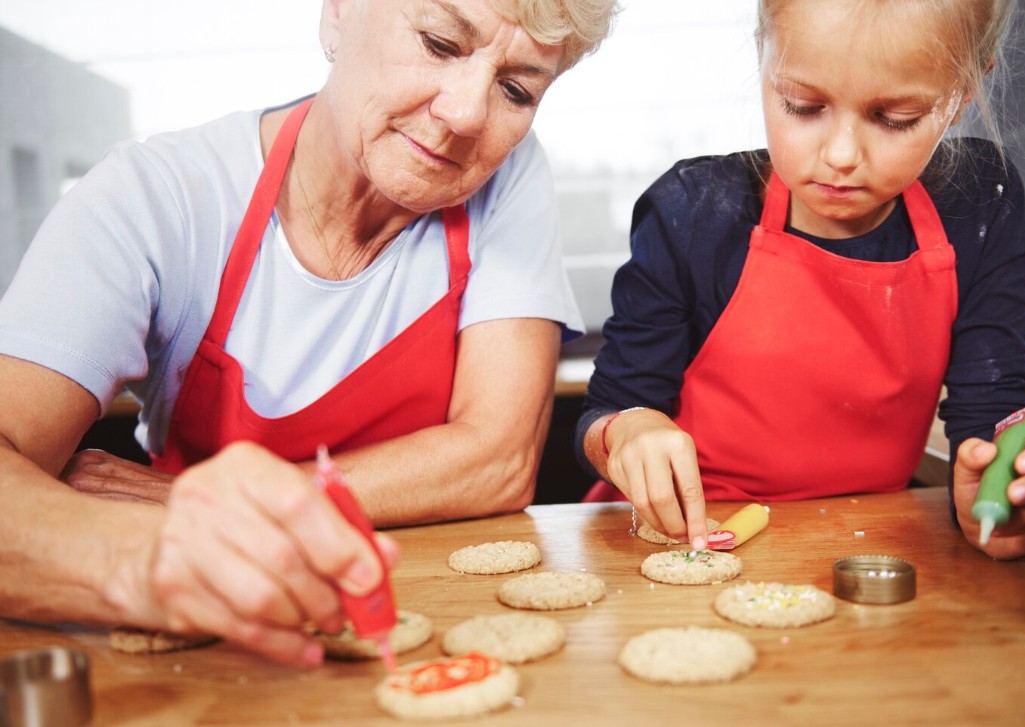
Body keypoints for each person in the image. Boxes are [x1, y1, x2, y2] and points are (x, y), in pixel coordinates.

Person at [0, 0, 618, 665]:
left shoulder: (506, 176)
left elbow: (496, 461)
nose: (467, 114)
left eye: (516, 90)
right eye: (440, 44)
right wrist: (151, 551)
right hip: (211, 637)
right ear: (338, 13)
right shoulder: (156, 197)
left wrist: (197, 504)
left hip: (434, 624)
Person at [576, 0, 1025, 561]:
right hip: (681, 535)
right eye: (803, 105)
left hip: (868, 539)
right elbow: (607, 412)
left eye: (896, 118)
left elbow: (994, 414)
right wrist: (628, 430)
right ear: (763, 58)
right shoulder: (694, 211)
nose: (841, 155)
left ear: (962, 94)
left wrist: (999, 490)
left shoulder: (980, 203)